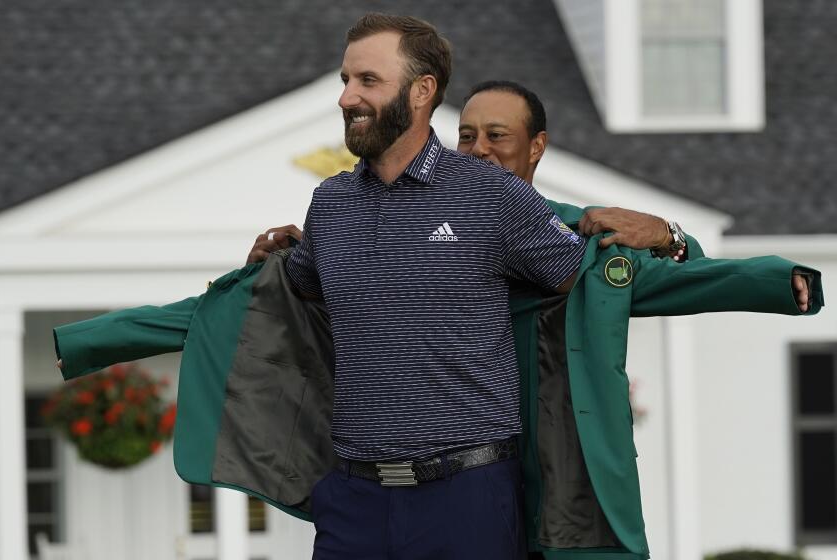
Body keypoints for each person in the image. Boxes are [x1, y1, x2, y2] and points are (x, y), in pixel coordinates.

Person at [54, 14, 820, 560]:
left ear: (420, 93)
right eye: (346, 80)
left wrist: (705, 253)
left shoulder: (493, 199)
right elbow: (279, 310)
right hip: (352, 503)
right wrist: (264, 272)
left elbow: (603, 282)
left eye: (366, 80)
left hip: (468, 503)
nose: (348, 96)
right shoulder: (330, 203)